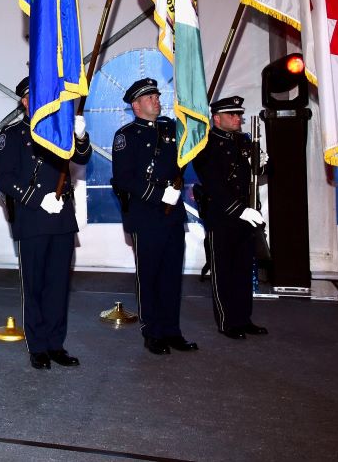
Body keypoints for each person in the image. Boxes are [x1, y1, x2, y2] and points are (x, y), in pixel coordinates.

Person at [0, 76, 92, 370]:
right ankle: (37, 346)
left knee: (58, 286)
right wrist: (38, 199)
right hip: (33, 218)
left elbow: (82, 158)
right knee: (35, 285)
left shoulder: (61, 129)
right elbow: (4, 178)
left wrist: (81, 136)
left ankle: (55, 344)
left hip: (62, 219)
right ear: (25, 102)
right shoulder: (12, 135)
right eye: (33, 97)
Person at [111, 78, 198, 356]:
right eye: (150, 97)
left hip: (173, 216)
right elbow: (124, 179)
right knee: (149, 277)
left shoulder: (172, 129)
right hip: (146, 215)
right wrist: (158, 194)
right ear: (136, 105)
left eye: (157, 96)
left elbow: (190, 151)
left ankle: (173, 331)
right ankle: (153, 333)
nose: (157, 100)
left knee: (172, 276)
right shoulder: (126, 135)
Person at [192, 95, 269, 340]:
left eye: (239, 114)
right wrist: (239, 210)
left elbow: (254, 175)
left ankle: (244, 318)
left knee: (243, 270)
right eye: (232, 115)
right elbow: (214, 186)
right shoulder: (206, 145)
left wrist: (264, 164)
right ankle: (227, 321)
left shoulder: (244, 140)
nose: (238, 118)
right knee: (224, 272)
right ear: (217, 118)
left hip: (246, 218)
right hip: (223, 217)